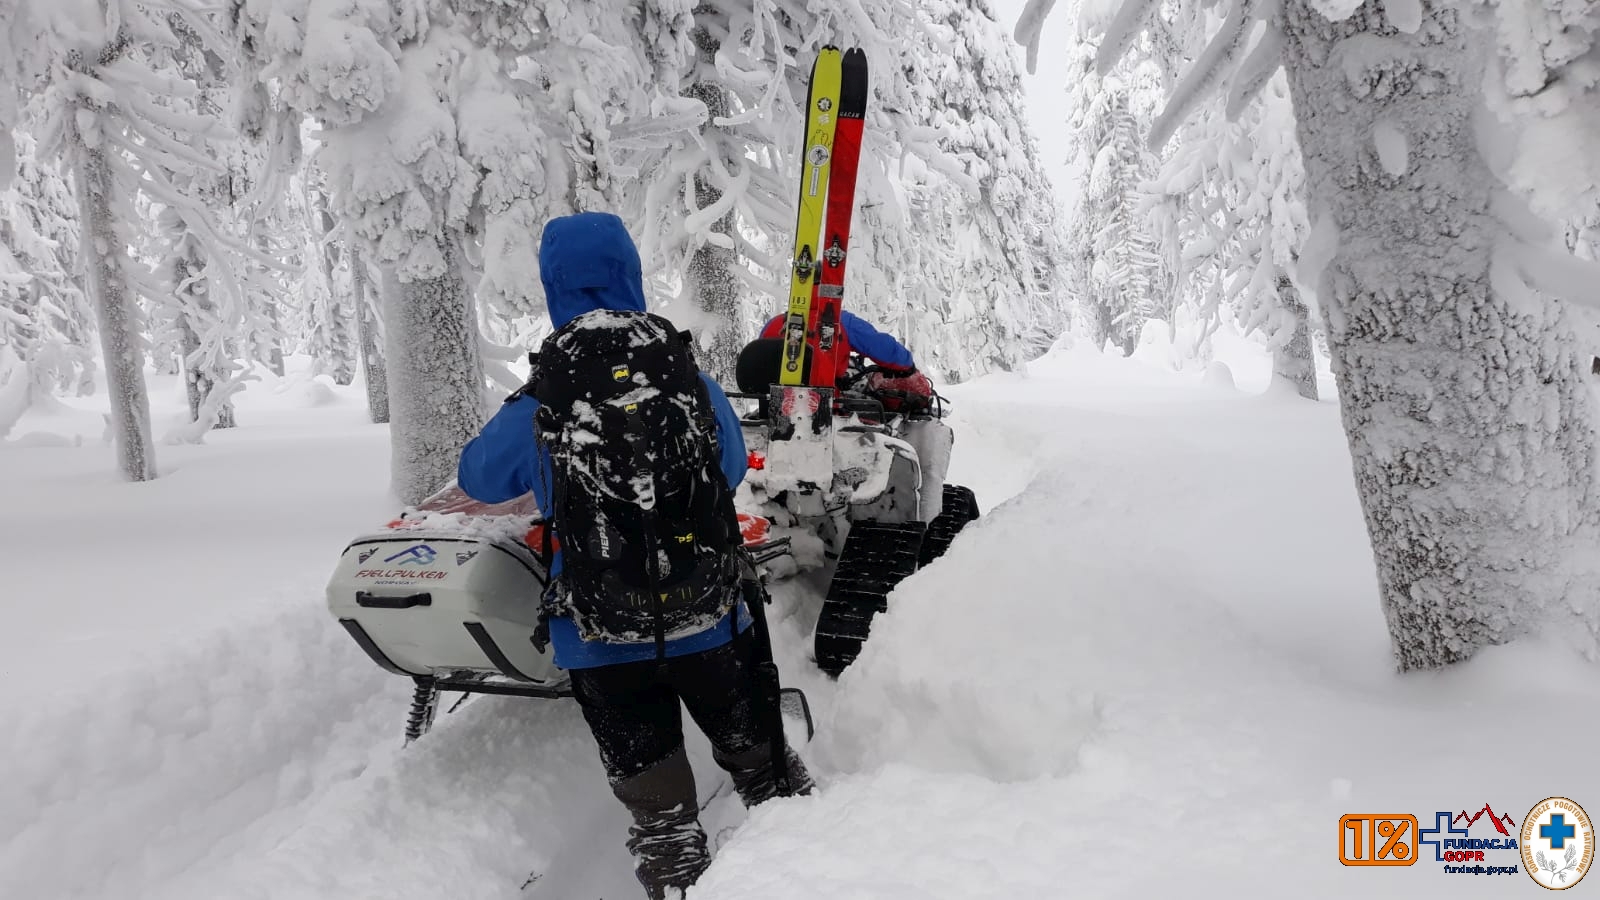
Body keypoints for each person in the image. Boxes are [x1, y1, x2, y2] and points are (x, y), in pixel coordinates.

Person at [458, 212, 812, 900]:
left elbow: (478, 477)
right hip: (710, 619)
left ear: (554, 288)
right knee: (767, 774)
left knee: (662, 821)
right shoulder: (685, 378)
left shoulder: (546, 395)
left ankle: (679, 875)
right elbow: (730, 468)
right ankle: (812, 869)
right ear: (631, 276)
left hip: (598, 636)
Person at [756, 310, 950, 521]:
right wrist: (907, 367)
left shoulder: (775, 324)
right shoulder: (839, 322)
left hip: (772, 414)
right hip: (824, 413)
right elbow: (886, 349)